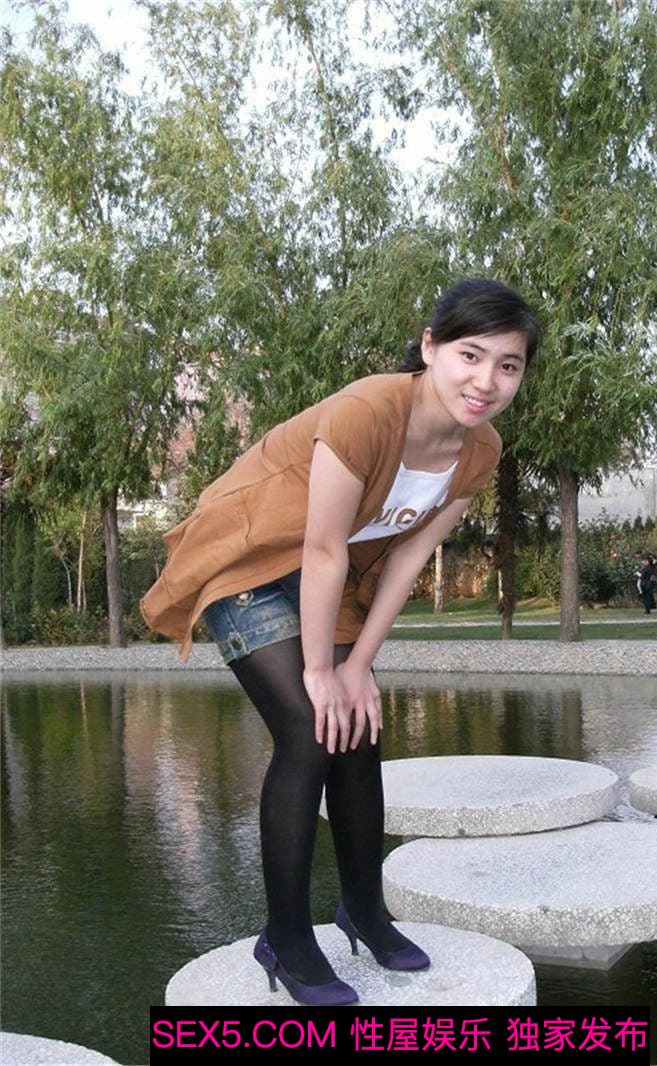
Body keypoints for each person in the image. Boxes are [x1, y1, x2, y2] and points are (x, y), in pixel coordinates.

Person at [140, 278, 541, 1004]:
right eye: (470, 355)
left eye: (507, 365)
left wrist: (358, 666)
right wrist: (322, 672)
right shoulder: (367, 412)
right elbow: (323, 547)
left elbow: (410, 557)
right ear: (430, 347)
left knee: (356, 725)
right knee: (309, 729)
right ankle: (286, 939)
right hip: (251, 563)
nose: (486, 380)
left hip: (329, 579)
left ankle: (363, 911)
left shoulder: (479, 450)